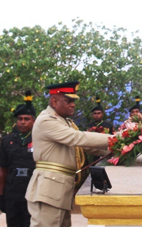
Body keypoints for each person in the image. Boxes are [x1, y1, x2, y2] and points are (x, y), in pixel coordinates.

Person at [25, 81, 112, 227]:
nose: (73, 105)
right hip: (49, 189)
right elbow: (78, 138)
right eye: (68, 101)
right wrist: (119, 139)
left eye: (73, 101)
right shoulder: (47, 120)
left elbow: (83, 145)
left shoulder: (65, 122)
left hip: (58, 188)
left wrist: (118, 149)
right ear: (54, 101)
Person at [0, 91, 36, 227]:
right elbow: (3, 170)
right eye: (20, 119)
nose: (23, 122)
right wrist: (1, 196)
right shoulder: (7, 141)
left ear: (34, 121)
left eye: (27, 119)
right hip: (12, 193)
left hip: (32, 193)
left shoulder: (40, 141)